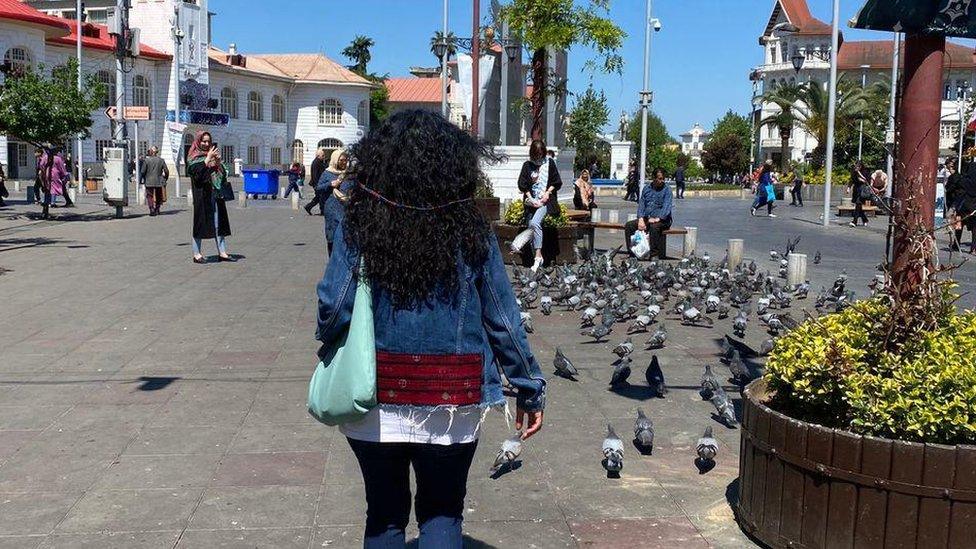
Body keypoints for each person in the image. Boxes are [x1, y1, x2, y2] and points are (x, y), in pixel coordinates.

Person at [315, 110, 545, 547]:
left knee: (383, 517)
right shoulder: (470, 228)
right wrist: (529, 387)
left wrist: (331, 340)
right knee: (442, 514)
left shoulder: (361, 222)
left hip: (373, 397)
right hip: (452, 402)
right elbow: (503, 318)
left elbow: (333, 305)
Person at [515, 139, 563, 273]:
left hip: (544, 201)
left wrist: (547, 193)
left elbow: (556, 181)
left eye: (541, 154)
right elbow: (522, 185)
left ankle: (537, 257)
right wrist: (531, 199)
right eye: (536, 154)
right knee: (531, 225)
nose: (539, 157)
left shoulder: (549, 163)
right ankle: (540, 257)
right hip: (532, 201)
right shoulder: (527, 165)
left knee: (535, 223)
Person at [187, 131, 232, 263]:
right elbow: (197, 175)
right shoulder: (193, 157)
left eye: (208, 141)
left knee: (219, 224)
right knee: (200, 223)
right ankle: (197, 254)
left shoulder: (212, 156)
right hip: (202, 195)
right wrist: (207, 160)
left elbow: (223, 176)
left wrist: (218, 163)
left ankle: (222, 252)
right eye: (204, 141)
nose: (206, 144)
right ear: (198, 141)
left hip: (216, 194)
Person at [625, 167, 673, 259]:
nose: (662, 181)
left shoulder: (667, 190)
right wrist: (641, 219)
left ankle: (654, 254)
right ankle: (632, 253)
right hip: (648, 218)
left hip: (663, 220)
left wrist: (657, 218)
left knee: (654, 227)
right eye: (659, 179)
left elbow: (667, 207)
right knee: (629, 226)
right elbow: (641, 205)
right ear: (654, 178)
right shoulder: (646, 189)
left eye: (663, 178)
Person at [320, 149, 352, 256]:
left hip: (345, 209)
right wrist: (330, 184)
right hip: (331, 209)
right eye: (341, 160)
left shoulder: (348, 173)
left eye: (345, 160)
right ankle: (332, 262)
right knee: (332, 237)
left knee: (345, 237)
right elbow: (318, 188)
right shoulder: (327, 173)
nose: (344, 162)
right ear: (335, 160)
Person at [140, 146, 169, 216]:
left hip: (149, 180)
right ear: (156, 152)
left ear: (151, 152)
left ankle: (151, 209)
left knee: (149, 195)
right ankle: (157, 209)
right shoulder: (161, 160)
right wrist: (165, 178)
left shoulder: (146, 161)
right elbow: (166, 171)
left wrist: (143, 178)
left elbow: (143, 171)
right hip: (159, 180)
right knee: (159, 196)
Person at [946, 160, 965, 251]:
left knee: (950, 220)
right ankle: (956, 242)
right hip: (962, 204)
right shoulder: (964, 177)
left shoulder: (953, 177)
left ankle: (954, 242)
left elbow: (948, 188)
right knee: (958, 223)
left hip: (954, 203)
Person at [304, 148, 328, 215]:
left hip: (318, 183)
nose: (324, 157)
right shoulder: (316, 162)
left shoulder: (319, 162)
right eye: (322, 155)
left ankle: (308, 207)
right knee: (321, 197)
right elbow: (315, 175)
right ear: (318, 156)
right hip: (317, 183)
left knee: (318, 197)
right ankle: (322, 211)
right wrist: (316, 185)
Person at [848, 160, 871, 227]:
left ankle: (854, 221)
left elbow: (867, 180)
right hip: (856, 189)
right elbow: (851, 180)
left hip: (862, 190)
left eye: (857, 166)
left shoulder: (865, 171)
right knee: (859, 207)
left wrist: (860, 176)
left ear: (860, 166)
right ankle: (865, 219)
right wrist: (849, 188)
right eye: (855, 166)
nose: (856, 168)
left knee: (858, 204)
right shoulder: (853, 172)